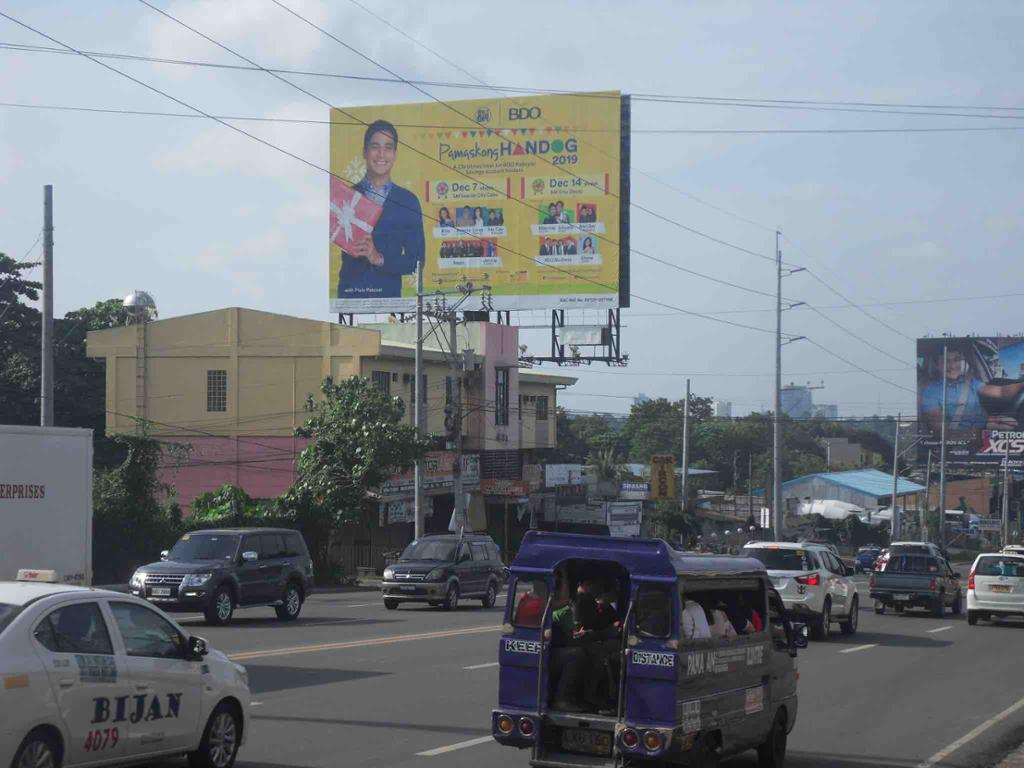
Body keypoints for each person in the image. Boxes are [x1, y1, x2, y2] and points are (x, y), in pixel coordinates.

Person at [337, 120, 424, 300]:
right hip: (350, 297)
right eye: (375, 146)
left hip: (389, 297)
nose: (381, 154)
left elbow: (417, 261)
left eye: (388, 147)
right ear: (364, 151)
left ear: (395, 154)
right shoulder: (346, 197)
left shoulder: (408, 201)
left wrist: (379, 259)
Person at [921, 347, 1015, 434]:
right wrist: (985, 428)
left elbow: (1002, 391)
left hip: (985, 432)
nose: (952, 366)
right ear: (938, 364)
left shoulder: (971, 382)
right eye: (946, 361)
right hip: (961, 445)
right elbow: (943, 432)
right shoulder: (931, 392)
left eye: (956, 360)